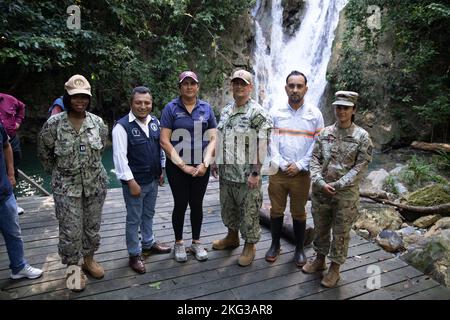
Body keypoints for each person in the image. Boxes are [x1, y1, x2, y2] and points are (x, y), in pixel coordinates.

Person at [38, 74, 108, 292]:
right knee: (70, 231)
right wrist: (61, 175)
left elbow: (101, 148)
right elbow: (44, 153)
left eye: (84, 97)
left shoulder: (97, 123)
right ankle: (72, 270)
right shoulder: (54, 124)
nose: (80, 101)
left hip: (95, 185)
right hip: (67, 189)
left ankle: (88, 260)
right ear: (67, 98)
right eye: (76, 97)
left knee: (92, 228)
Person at [302, 91, 373, 288]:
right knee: (321, 227)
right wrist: (318, 181)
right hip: (321, 190)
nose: (341, 111)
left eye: (346, 107)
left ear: (354, 110)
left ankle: (335, 268)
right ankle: (320, 259)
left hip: (345, 195)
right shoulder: (324, 133)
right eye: (338, 107)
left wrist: (339, 184)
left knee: (341, 232)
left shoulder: (362, 137)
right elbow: (314, 159)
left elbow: (361, 167)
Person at [212, 69, 273, 267]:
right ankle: (232, 237)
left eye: (243, 83)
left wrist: (256, 173)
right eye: (235, 83)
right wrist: (215, 160)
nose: (238, 86)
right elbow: (220, 137)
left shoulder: (258, 113)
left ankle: (250, 246)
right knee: (228, 209)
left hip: (247, 176)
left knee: (249, 213)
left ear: (250, 87)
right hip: (227, 174)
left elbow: (262, 144)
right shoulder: (227, 110)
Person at [266, 71, 324, 267]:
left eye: (299, 86)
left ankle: (299, 249)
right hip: (278, 171)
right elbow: (270, 141)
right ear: (285, 88)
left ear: (306, 89)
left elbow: (317, 144)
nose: (295, 90)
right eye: (291, 85)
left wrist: (299, 165)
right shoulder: (275, 112)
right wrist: (282, 163)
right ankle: (275, 245)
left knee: (299, 212)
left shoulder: (315, 114)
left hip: (302, 173)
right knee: (276, 210)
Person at [112, 86, 171, 274]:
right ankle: (134, 254)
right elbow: (119, 158)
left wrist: (162, 169)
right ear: (131, 103)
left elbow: (160, 148)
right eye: (138, 102)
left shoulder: (155, 122)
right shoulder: (121, 127)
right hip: (135, 183)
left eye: (147, 103)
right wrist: (131, 182)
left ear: (151, 104)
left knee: (148, 214)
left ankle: (148, 242)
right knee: (133, 219)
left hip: (153, 179)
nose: (143, 106)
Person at [160, 71, 217, 263]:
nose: (189, 87)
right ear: (180, 87)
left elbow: (213, 139)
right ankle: (178, 242)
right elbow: (164, 141)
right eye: (185, 84)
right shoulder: (170, 108)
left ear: (198, 87)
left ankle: (196, 242)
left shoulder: (206, 108)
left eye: (193, 83)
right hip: (177, 167)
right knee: (180, 203)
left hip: (202, 166)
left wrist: (205, 163)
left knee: (197, 204)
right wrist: (183, 166)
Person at [0, 123, 43, 280]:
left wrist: (11, 173)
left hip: (4, 192)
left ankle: (18, 267)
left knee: (13, 233)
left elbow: (6, 146)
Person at [0, 93, 26, 215]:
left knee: (13, 170)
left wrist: (18, 121)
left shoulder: (9, 99)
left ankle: (13, 203)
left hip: (12, 139)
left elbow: (21, 107)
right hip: (1, 140)